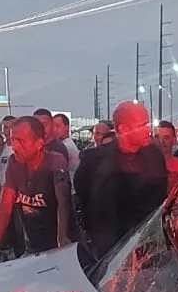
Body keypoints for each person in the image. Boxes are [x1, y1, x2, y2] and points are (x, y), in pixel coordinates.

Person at [72, 99, 169, 259]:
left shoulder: (154, 156)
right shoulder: (95, 161)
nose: (149, 130)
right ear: (124, 129)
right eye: (143, 125)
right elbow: (83, 196)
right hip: (108, 252)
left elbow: (160, 198)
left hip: (149, 246)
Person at [0, 115, 70, 256]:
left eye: (20, 141)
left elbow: (63, 203)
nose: (14, 146)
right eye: (13, 140)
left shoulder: (55, 162)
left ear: (39, 143)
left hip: (60, 246)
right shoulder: (14, 163)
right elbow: (5, 205)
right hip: (33, 246)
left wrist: (62, 239)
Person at [50, 111, 80, 178]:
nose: (54, 129)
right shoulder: (67, 143)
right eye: (53, 127)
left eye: (58, 126)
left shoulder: (65, 146)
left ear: (66, 127)